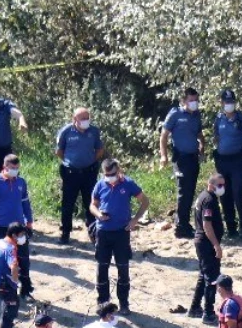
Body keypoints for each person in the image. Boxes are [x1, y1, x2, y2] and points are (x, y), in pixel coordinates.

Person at [89, 158, 148, 313]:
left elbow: (145, 201)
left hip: (122, 232)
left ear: (119, 170)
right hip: (103, 231)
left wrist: (135, 220)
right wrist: (99, 215)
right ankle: (103, 302)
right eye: (107, 174)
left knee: (123, 268)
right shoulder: (100, 185)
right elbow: (92, 205)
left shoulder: (128, 184)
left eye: (113, 173)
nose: (111, 177)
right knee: (102, 268)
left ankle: (124, 303)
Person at [0, 154, 34, 297]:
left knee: (24, 259)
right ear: (4, 167)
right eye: (12, 168)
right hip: (1, 226)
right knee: (0, 257)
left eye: (17, 168)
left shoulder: (21, 182)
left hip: (19, 227)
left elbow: (26, 203)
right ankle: (0, 284)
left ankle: (25, 289)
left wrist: (29, 224)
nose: (15, 171)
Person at [55, 107, 105, 244]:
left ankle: (93, 232)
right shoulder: (66, 131)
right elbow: (59, 151)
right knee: (68, 204)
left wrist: (91, 161)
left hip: (89, 172)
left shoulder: (94, 131)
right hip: (70, 173)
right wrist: (70, 161)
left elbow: (100, 149)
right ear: (74, 119)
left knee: (91, 202)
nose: (85, 121)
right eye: (82, 118)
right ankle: (65, 232)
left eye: (87, 118)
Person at [160, 88, 204, 239]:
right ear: (184, 101)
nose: (194, 103)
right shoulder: (175, 114)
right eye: (191, 100)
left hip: (193, 157)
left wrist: (202, 145)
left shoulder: (197, 115)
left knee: (190, 191)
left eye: (196, 100)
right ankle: (180, 227)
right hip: (180, 158)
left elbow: (199, 133)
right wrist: (163, 156)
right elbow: (164, 136)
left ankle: (184, 223)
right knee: (183, 192)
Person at [213, 88, 242, 239]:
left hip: (238, 161)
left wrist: (240, 151)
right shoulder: (218, 119)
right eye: (226, 101)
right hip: (222, 162)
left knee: (238, 193)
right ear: (221, 102)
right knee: (224, 194)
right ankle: (231, 227)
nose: (229, 104)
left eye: (231, 101)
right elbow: (216, 138)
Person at [188, 173, 225, 323]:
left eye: (223, 185)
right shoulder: (209, 200)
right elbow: (206, 224)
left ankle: (195, 307)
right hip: (206, 243)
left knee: (204, 275)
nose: (222, 188)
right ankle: (208, 313)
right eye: (220, 185)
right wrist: (216, 245)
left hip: (202, 241)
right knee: (212, 278)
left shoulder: (203, 196)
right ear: (211, 185)